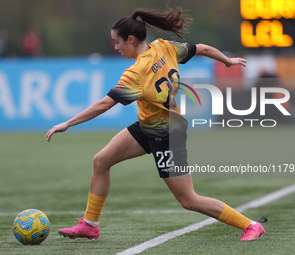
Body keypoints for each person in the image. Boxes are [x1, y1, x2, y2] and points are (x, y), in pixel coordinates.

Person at [45, 7, 265, 241]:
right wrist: (227, 61)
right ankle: (89, 224)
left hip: (168, 135)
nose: (116, 48)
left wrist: (67, 123)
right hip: (149, 126)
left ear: (130, 39)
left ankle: (250, 225)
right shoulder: (164, 46)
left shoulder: (136, 72)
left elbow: (103, 105)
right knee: (101, 161)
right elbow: (203, 48)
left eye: (117, 42)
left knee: (189, 200)